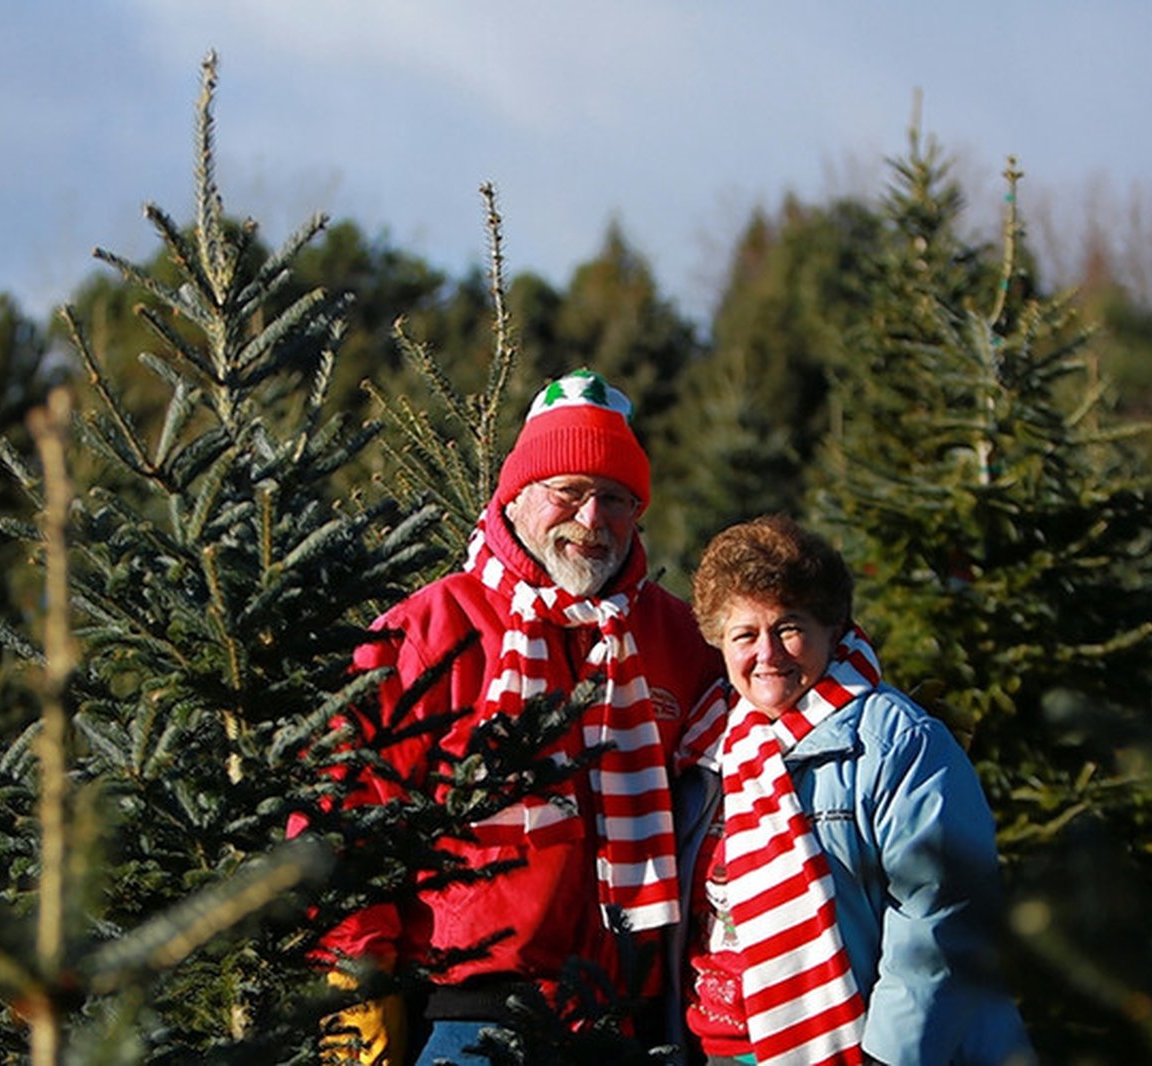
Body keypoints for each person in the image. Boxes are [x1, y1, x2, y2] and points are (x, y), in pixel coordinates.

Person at [316, 369, 723, 1065]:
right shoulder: (429, 631)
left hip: (625, 1018)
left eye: (616, 500)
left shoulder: (679, 639)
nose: (592, 521)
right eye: (568, 492)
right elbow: (349, 805)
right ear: (517, 497)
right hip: (470, 1014)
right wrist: (356, 969)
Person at [671, 515, 1032, 1066]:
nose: (766, 654)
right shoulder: (709, 750)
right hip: (717, 1048)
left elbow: (941, 916)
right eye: (745, 634)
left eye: (788, 627)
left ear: (831, 628)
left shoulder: (898, 742)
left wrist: (887, 1059)